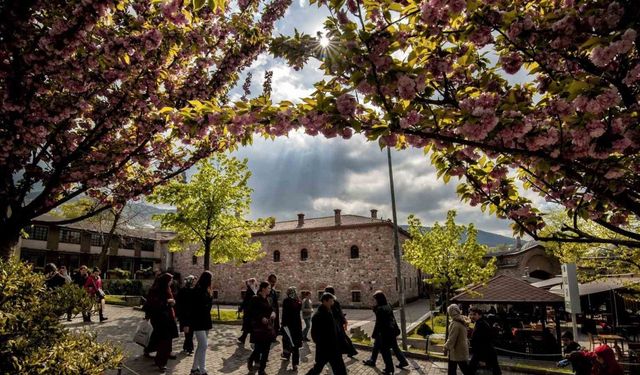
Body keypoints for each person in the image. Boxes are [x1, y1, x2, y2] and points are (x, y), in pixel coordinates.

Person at [143, 273, 179, 372]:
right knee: (164, 341)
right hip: (160, 319)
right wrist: (168, 301)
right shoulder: (156, 290)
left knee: (163, 340)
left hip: (168, 318)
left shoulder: (167, 288)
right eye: (170, 280)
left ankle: (159, 359)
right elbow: (154, 303)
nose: (171, 282)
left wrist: (171, 302)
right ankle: (161, 362)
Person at [305, 292, 347, 375]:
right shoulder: (318, 316)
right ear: (325, 301)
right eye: (331, 301)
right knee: (318, 369)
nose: (333, 303)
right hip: (325, 348)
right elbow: (314, 334)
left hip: (333, 347)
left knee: (340, 369)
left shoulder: (329, 312)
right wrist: (322, 344)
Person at [368, 290, 409, 375]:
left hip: (384, 333)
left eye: (375, 299)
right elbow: (391, 318)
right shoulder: (388, 305)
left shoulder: (379, 309)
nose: (374, 301)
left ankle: (389, 369)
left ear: (378, 299)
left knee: (385, 350)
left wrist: (374, 334)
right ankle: (403, 362)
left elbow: (378, 323)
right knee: (394, 347)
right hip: (392, 330)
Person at [184, 271, 213, 375]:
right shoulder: (196, 290)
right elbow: (189, 308)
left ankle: (194, 369)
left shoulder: (207, 290)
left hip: (206, 320)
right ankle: (202, 370)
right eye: (210, 279)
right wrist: (186, 323)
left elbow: (209, 305)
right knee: (204, 345)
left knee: (201, 346)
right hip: (197, 321)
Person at [247, 281, 276, 375]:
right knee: (259, 348)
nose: (270, 290)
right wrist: (261, 318)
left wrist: (273, 313)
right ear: (263, 288)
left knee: (267, 349)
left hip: (268, 327)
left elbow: (272, 309)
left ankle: (262, 370)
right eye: (268, 288)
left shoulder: (269, 299)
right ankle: (251, 359)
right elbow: (251, 312)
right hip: (258, 327)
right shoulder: (255, 298)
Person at [325, 286, 357, 357]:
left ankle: (350, 350)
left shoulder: (332, 302)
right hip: (338, 322)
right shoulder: (335, 301)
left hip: (336, 323)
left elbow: (336, 312)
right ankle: (351, 351)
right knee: (343, 336)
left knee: (341, 336)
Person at [468, 307, 501, 375]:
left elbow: (482, 338)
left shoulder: (481, 324)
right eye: (470, 314)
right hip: (485, 351)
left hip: (484, 351)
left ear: (480, 315)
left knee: (471, 369)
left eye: (474, 314)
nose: (472, 316)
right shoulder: (479, 323)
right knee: (495, 370)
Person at [281, 286, 303, 371]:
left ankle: (286, 355)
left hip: (288, 325)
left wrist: (282, 324)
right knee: (295, 345)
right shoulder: (298, 302)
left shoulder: (286, 301)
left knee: (287, 341)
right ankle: (295, 364)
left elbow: (284, 314)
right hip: (296, 325)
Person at [444, 304, 470, 375]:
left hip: (457, 350)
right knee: (453, 368)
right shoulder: (462, 320)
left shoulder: (455, 323)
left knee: (464, 369)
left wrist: (446, 347)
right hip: (460, 349)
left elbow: (452, 338)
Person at [176, 275, 196, 355]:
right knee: (189, 333)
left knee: (188, 332)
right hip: (188, 315)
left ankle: (186, 347)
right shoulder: (191, 291)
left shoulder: (182, 291)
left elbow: (178, 302)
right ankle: (189, 348)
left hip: (184, 315)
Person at [238, 277, 258, 344]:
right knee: (249, 325)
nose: (247, 284)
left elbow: (245, 301)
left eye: (248, 283)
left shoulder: (250, 291)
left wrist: (241, 308)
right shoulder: (255, 290)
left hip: (249, 311)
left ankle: (245, 338)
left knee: (248, 324)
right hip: (252, 311)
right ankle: (243, 338)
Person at [267, 274, 280, 341]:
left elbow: (274, 303)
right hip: (266, 312)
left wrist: (275, 311)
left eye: (274, 282)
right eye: (272, 281)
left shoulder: (273, 291)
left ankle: (272, 337)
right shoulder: (265, 291)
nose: (273, 283)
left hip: (273, 312)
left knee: (273, 325)